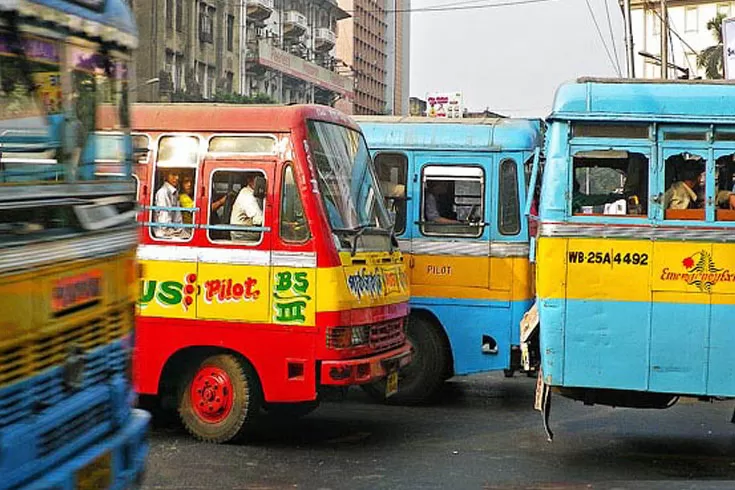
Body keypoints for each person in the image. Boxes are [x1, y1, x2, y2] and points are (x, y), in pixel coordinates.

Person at [230, 174, 264, 241]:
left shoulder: (256, 194)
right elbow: (259, 219)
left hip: (249, 230)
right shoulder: (246, 194)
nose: (261, 184)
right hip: (241, 234)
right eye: (258, 180)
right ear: (249, 180)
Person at [154, 170, 185, 238]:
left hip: (172, 231)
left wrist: (180, 230)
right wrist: (173, 232)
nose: (177, 178)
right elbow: (164, 220)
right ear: (166, 176)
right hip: (163, 233)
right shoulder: (163, 192)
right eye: (173, 174)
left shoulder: (175, 192)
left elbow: (177, 216)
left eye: (178, 175)